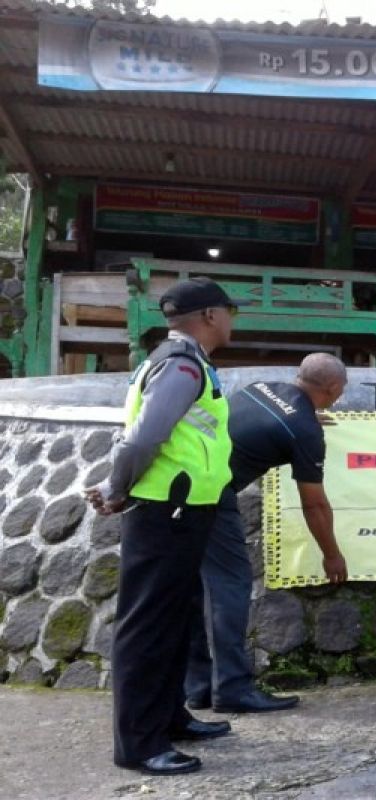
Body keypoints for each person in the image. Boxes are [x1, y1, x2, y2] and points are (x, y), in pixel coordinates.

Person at [84, 277, 243, 776]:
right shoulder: (181, 366)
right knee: (148, 625)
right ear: (211, 316)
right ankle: (138, 743)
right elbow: (141, 440)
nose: (232, 320)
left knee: (175, 618)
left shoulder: (180, 361)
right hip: (166, 511)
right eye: (229, 311)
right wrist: (116, 487)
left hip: (183, 508)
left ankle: (170, 716)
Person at [186, 353, 350, 713]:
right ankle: (231, 689)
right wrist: (332, 554)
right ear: (334, 389)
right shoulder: (304, 431)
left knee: (194, 587)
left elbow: (266, 420)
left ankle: (197, 686)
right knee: (229, 588)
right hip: (213, 493)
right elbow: (314, 504)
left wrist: (304, 422)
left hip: (182, 481)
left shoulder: (260, 388)